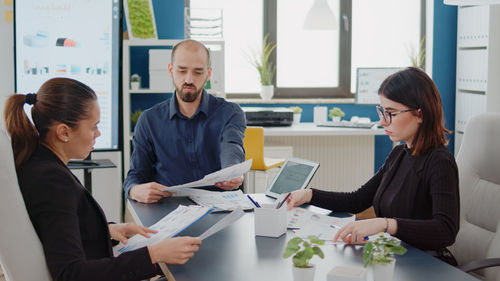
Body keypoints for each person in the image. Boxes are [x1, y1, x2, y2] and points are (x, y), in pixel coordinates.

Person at [4, 77, 202, 281]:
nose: (97, 134)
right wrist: (154, 254)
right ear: (64, 132)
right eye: (93, 127)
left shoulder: (39, 164)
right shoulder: (51, 181)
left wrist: (106, 230)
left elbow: (56, 231)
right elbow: (70, 274)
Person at [287, 67, 460, 264]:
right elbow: (358, 200)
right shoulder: (399, 154)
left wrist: (385, 224)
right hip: (396, 257)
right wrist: (309, 194)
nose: (382, 121)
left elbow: (446, 230)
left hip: (426, 265)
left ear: (420, 114)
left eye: (391, 113)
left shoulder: (440, 162)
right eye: (382, 112)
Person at [124, 39, 246, 203]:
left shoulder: (230, 112)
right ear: (170, 70)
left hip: (218, 208)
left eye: (197, 72)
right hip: (166, 209)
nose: (189, 80)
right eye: (182, 71)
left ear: (208, 74)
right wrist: (134, 190)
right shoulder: (149, 120)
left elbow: (232, 146)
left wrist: (232, 170)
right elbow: (136, 175)